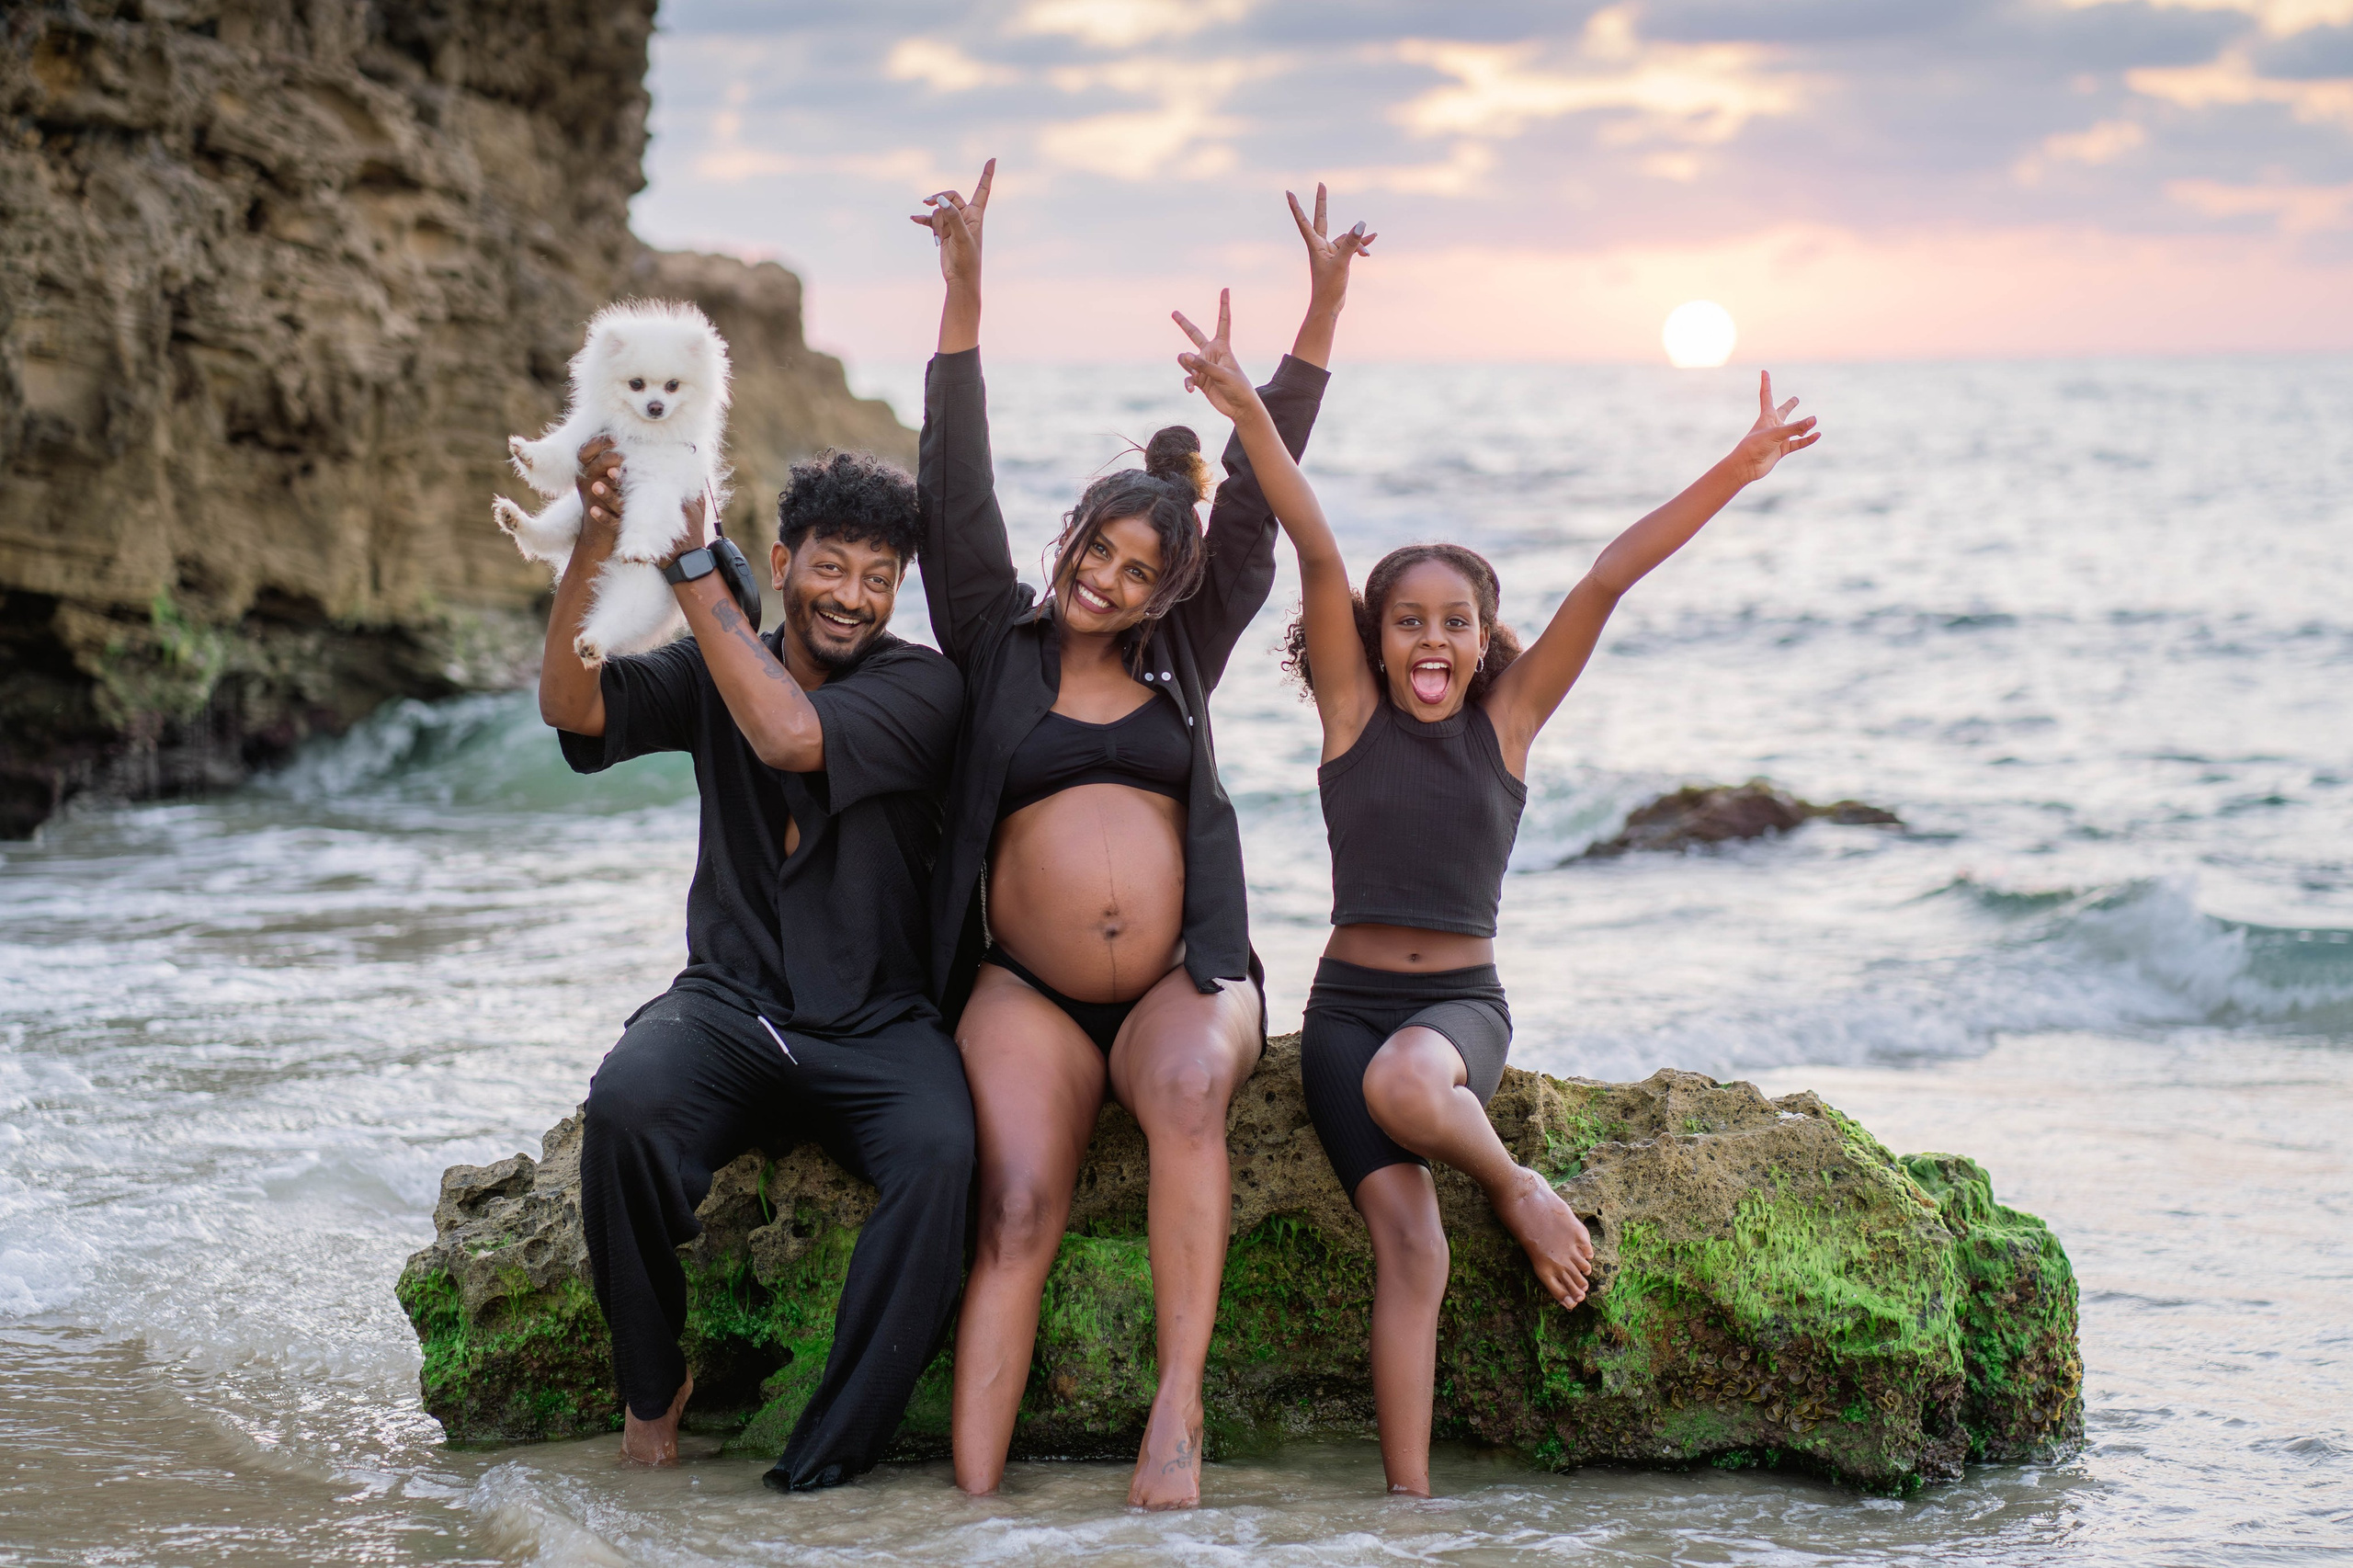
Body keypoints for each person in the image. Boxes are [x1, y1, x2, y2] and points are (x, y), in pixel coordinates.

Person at [1173, 310, 1822, 1496]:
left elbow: (1608, 574)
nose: (1432, 639)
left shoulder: (1507, 727)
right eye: (1407, 621)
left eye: (1454, 622)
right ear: (1374, 640)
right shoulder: (1351, 717)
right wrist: (1248, 410)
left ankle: (1519, 1188)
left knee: (1412, 1083)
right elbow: (1313, 542)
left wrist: (1736, 466)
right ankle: (1410, 1505)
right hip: (1345, 1014)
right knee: (1411, 1245)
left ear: (1484, 641)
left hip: (1459, 1011)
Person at [910, 161, 1372, 1508]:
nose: (1107, 583)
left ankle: (1178, 1409)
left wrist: (1317, 316)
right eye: (1097, 554)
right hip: (1027, 989)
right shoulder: (995, 638)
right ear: (1069, 539)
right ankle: (971, 1504)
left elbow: (1262, 508)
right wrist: (964, 290)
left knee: (1182, 1096)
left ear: (1170, 590)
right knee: (1016, 1207)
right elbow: (953, 486)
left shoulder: (1185, 651)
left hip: (1186, 973)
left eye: (1138, 572)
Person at [538, 437, 973, 1492]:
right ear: (781, 564)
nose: (853, 597)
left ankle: (822, 1463)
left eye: (879, 578)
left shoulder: (924, 687)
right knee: (625, 1106)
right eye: (831, 567)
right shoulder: (716, 662)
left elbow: (788, 733)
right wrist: (597, 543)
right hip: (731, 1004)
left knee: (942, 1157)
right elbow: (571, 706)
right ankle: (653, 1394)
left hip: (878, 1020)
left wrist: (691, 568)